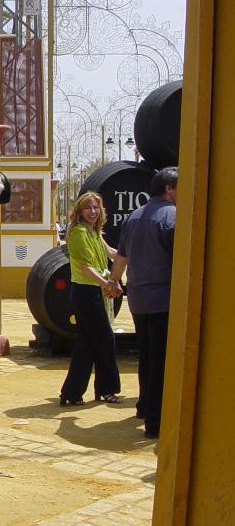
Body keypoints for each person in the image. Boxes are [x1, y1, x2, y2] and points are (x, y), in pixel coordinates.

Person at [109, 166, 178, 439]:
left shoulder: (133, 217)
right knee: (161, 359)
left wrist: (113, 283)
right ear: (169, 189)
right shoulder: (173, 217)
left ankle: (143, 406)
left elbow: (121, 259)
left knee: (147, 354)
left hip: (138, 298)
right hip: (164, 298)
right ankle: (155, 421)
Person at [59, 191, 123, 406]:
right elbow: (86, 268)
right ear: (79, 211)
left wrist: (133, 252)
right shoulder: (78, 233)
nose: (93, 211)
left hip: (94, 292)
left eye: (96, 207)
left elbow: (112, 254)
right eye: (88, 208)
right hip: (86, 293)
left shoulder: (94, 232)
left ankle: (72, 392)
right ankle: (107, 389)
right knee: (105, 340)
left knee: (87, 344)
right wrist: (107, 285)